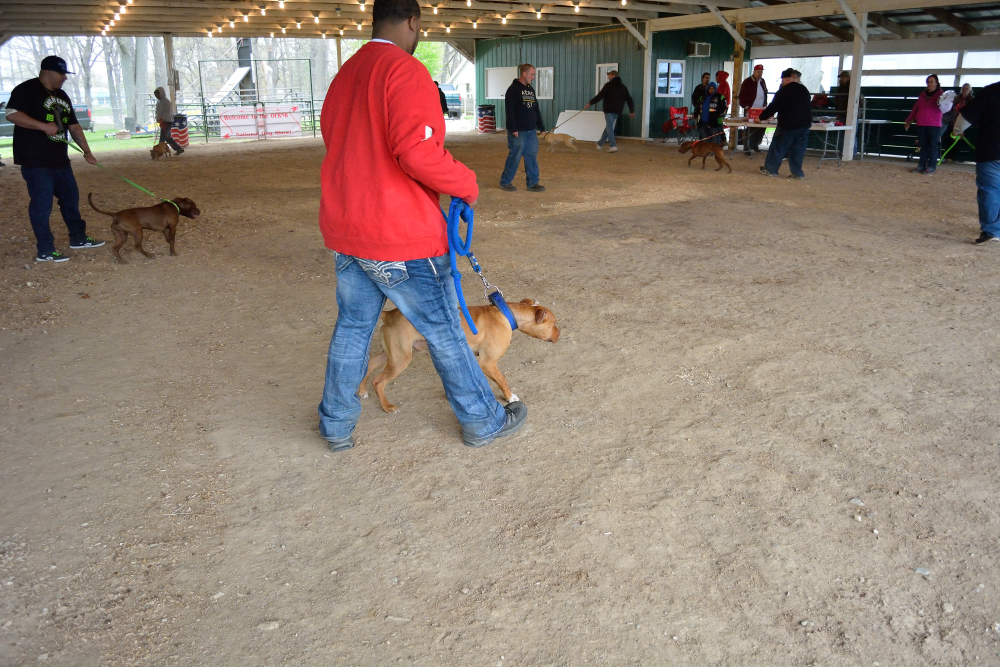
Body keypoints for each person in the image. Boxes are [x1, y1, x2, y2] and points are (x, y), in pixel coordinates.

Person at [317, 0, 526, 451]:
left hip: (349, 230)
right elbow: (416, 153)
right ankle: (483, 420)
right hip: (400, 235)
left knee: (352, 329)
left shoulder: (345, 74)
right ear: (413, 22)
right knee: (446, 331)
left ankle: (335, 425)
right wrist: (466, 184)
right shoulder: (405, 70)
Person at [5, 55, 103, 262]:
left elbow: (73, 126)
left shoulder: (62, 95)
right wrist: (43, 126)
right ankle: (45, 249)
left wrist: (87, 151)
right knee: (42, 205)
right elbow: (12, 114)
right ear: (48, 72)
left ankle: (78, 238)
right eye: (61, 73)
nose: (64, 78)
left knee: (70, 200)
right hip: (35, 161)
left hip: (60, 159)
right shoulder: (27, 89)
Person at [952, 81, 1000, 245]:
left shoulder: (992, 91)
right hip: (991, 150)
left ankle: (992, 231)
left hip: (992, 150)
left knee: (991, 191)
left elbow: (966, 117)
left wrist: (957, 131)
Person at [758, 68, 812, 179]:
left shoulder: (784, 91)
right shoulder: (804, 90)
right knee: (798, 150)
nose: (782, 81)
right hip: (804, 125)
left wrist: (761, 117)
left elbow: (774, 106)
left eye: (782, 79)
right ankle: (797, 173)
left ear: (786, 79)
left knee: (778, 147)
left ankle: (771, 169)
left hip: (788, 125)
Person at [500, 63, 545, 193]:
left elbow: (536, 109)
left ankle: (533, 183)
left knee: (531, 157)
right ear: (524, 74)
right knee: (515, 156)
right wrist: (513, 128)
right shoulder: (513, 89)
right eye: (532, 74)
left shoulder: (530, 90)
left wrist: (541, 126)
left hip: (531, 131)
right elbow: (510, 111)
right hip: (518, 131)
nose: (533, 77)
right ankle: (505, 182)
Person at [584, 69, 634, 153]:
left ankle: (613, 146)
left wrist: (590, 103)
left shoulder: (608, 85)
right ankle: (600, 144)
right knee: (609, 126)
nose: (608, 76)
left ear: (614, 76)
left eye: (610, 75)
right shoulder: (623, 87)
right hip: (618, 110)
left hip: (609, 109)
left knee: (609, 127)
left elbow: (600, 96)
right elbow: (629, 99)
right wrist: (631, 110)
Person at [904, 74, 944, 175]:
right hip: (921, 123)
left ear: (936, 83)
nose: (929, 84)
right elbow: (916, 108)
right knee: (923, 146)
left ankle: (931, 167)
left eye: (931, 82)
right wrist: (909, 120)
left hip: (934, 124)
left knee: (933, 146)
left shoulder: (941, 95)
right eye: (928, 82)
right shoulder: (922, 95)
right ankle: (921, 165)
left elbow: (946, 107)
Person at [738, 63, 768, 154]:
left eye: (761, 72)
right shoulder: (747, 81)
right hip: (751, 108)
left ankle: (756, 144)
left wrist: (765, 104)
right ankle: (747, 147)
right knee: (750, 127)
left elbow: (765, 93)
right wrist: (746, 106)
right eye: (758, 72)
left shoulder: (762, 81)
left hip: (761, 108)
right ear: (754, 72)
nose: (760, 74)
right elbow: (742, 95)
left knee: (761, 127)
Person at [153, 86, 184, 155]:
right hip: (162, 121)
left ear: (161, 93)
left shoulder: (167, 102)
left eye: (158, 94)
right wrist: (158, 118)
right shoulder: (158, 102)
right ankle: (178, 148)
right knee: (167, 137)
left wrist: (163, 118)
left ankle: (159, 151)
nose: (157, 96)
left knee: (163, 138)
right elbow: (157, 112)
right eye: (155, 94)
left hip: (167, 121)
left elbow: (168, 112)